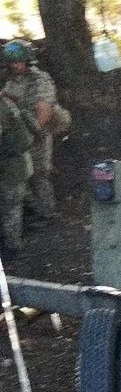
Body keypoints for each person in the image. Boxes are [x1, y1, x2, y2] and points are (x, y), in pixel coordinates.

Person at [2, 40, 57, 223]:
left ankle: (48, 213)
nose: (14, 65)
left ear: (27, 60)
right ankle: (33, 208)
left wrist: (34, 134)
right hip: (19, 135)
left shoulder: (40, 80)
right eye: (12, 62)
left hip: (37, 133)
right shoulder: (12, 80)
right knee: (21, 174)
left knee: (39, 173)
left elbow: (44, 110)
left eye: (18, 61)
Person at [0, 94, 34, 256]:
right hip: (19, 163)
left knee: (10, 207)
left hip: (10, 166)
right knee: (12, 206)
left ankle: (13, 247)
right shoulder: (8, 102)